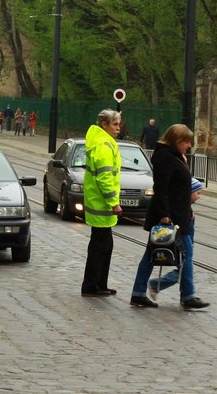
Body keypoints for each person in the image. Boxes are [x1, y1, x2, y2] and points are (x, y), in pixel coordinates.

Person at [129, 123, 209, 309]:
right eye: (186, 142)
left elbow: (180, 187)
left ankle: (139, 292)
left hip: (181, 214)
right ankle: (188, 296)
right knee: (185, 254)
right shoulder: (165, 157)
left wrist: (188, 207)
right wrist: (165, 215)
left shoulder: (175, 155)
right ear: (176, 141)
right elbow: (161, 189)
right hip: (171, 217)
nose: (189, 145)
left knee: (152, 254)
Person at [146, 177, 208, 307]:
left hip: (187, 239)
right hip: (182, 238)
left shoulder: (188, 209)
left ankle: (181, 295)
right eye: (198, 193)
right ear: (188, 193)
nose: (199, 196)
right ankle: (159, 285)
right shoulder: (183, 209)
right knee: (184, 267)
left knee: (183, 268)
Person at [81, 109, 123, 297]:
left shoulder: (101, 142)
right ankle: (92, 285)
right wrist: (114, 202)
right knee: (101, 247)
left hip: (99, 203)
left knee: (103, 246)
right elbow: (105, 178)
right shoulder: (103, 145)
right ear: (104, 125)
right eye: (115, 124)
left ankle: (98, 284)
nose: (118, 128)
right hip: (101, 205)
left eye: (118, 124)